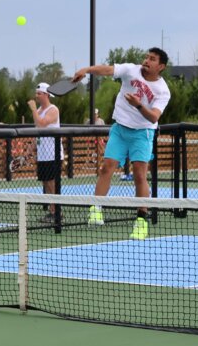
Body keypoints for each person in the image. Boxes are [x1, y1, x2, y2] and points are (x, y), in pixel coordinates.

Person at [71, 47, 171, 240]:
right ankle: (96, 207)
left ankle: (141, 221)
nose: (146, 61)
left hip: (143, 133)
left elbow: (153, 118)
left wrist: (138, 105)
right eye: (146, 57)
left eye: (152, 59)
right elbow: (107, 70)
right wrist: (86, 70)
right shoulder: (130, 70)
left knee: (140, 175)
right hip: (120, 129)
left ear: (161, 67)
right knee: (106, 168)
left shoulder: (162, 90)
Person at [28, 83, 61, 222]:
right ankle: (52, 211)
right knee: (46, 183)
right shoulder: (40, 110)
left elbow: (41, 124)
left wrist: (33, 110)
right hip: (42, 154)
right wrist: (32, 147)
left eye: (39, 94)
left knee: (52, 183)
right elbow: (38, 131)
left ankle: (57, 213)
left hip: (53, 153)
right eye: (36, 93)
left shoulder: (53, 110)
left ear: (46, 95)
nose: (36, 96)